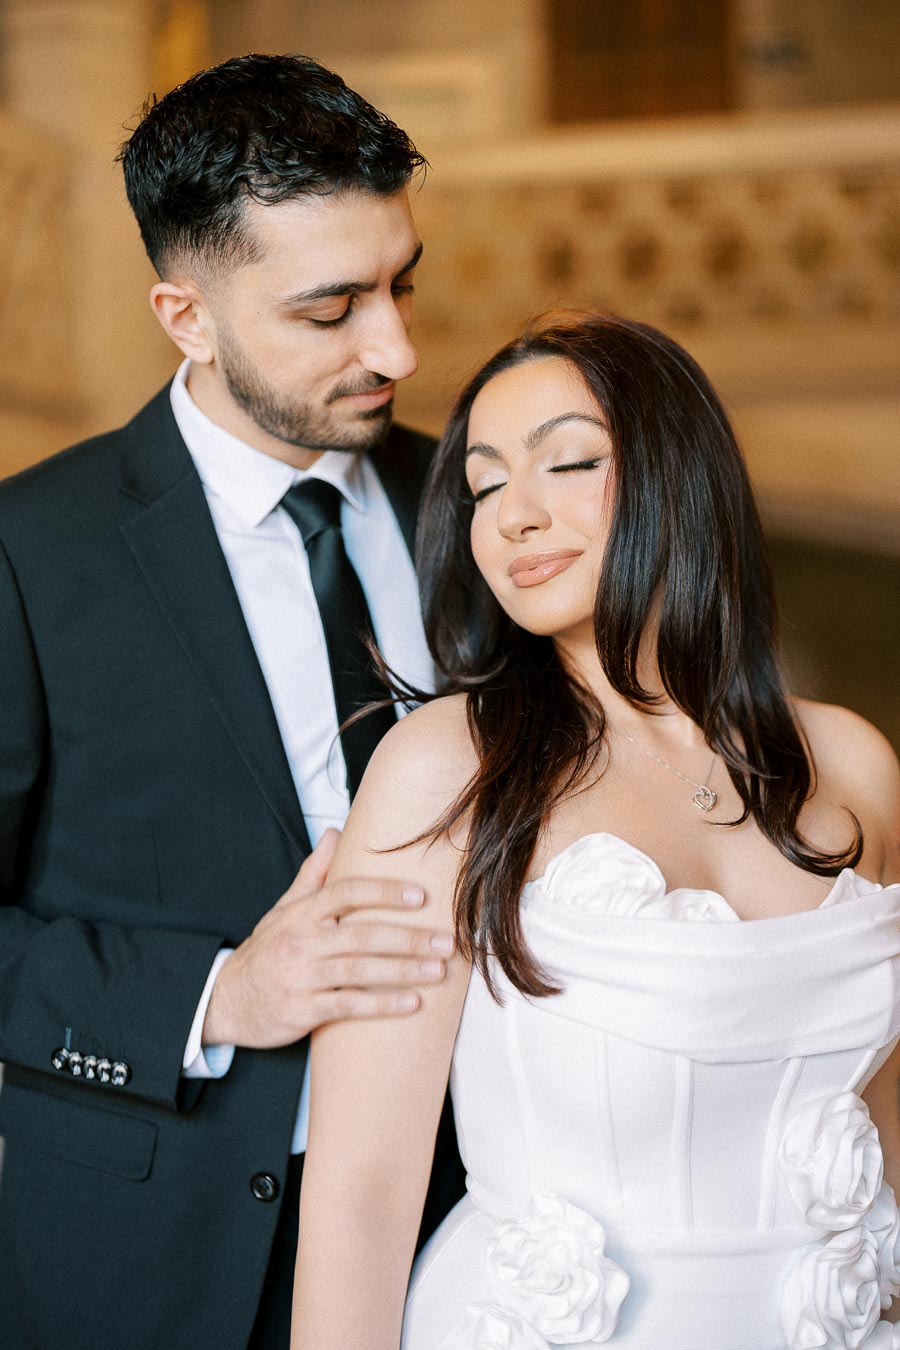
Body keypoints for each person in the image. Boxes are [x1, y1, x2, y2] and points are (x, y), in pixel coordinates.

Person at [291, 311, 900, 1350]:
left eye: (565, 462)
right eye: (483, 485)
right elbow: (361, 1198)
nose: (512, 515)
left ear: (680, 475)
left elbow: (881, 1135)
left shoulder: (854, 764)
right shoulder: (446, 770)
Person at [0, 53, 464, 1350]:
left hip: (486, 1210)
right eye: (333, 311)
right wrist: (215, 995)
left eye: (401, 284)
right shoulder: (30, 553)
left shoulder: (481, 505)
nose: (398, 348)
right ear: (185, 315)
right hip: (163, 1254)